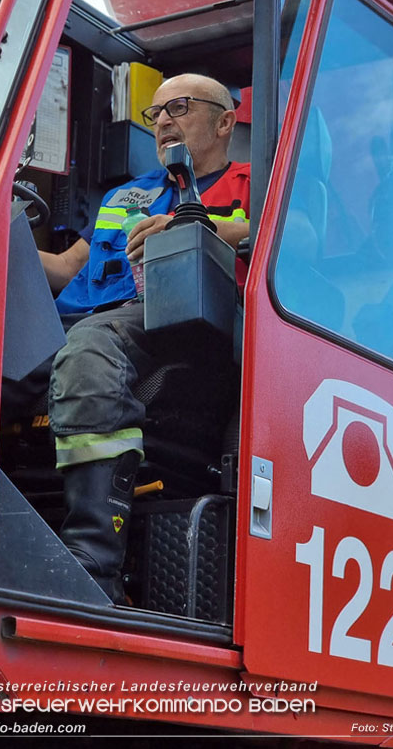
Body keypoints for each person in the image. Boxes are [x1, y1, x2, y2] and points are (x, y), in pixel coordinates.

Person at [38, 73, 250, 603]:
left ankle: (94, 559)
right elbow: (68, 266)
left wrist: (196, 226)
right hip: (80, 320)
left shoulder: (252, 182)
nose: (164, 122)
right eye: (155, 114)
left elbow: (297, 233)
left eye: (178, 107)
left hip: (169, 319)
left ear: (225, 121)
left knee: (90, 345)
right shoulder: (126, 194)